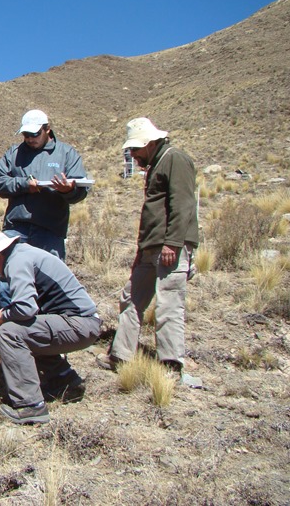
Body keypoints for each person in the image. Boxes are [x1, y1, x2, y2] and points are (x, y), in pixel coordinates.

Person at [97, 118, 201, 388]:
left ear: (149, 143)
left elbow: (183, 204)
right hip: (151, 246)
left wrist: (173, 243)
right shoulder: (157, 163)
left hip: (169, 247)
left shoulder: (175, 159)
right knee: (131, 297)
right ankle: (121, 355)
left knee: (168, 304)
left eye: (135, 150)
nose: (132, 155)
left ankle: (170, 366)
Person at [0, 109, 91, 349]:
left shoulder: (66, 153)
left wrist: (67, 190)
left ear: (47, 129)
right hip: (17, 227)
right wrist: (24, 185)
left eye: (34, 134)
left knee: (47, 281)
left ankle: (40, 335)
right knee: (6, 278)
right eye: (26, 134)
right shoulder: (14, 153)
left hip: (49, 228)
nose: (30, 139)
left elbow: (81, 189)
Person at [0, 228, 100, 424]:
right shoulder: (23, 253)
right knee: (25, 328)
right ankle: (63, 378)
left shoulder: (16, 262)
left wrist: (3, 316)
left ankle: (30, 405)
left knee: (9, 332)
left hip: (79, 324)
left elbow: (25, 308)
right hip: (82, 323)